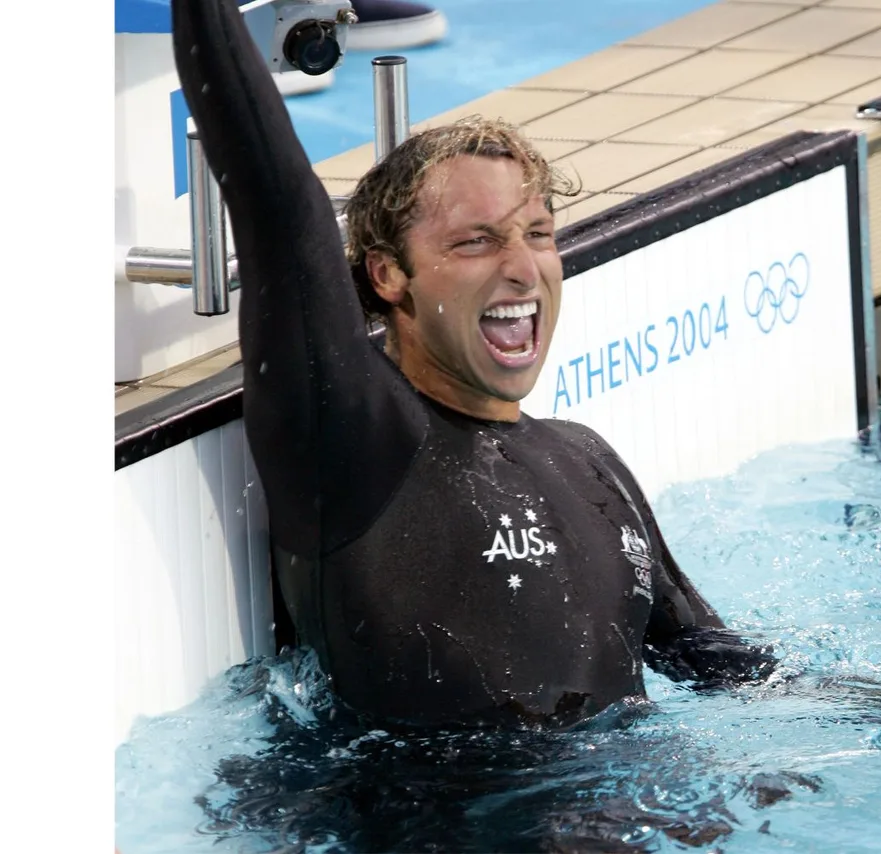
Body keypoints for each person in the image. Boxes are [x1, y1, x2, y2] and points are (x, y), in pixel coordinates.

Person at [171, 0, 775, 732]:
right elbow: (274, 194)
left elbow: (722, 664)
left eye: (538, 234)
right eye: (476, 243)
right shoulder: (358, 445)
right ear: (390, 275)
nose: (523, 269)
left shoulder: (588, 459)